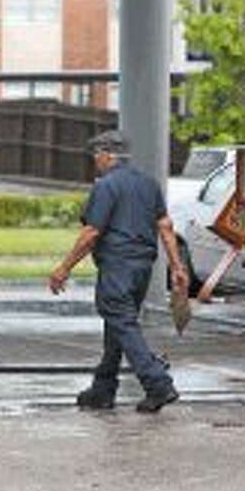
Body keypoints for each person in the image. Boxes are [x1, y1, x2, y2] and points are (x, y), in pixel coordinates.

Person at [50, 130, 190, 413]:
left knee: (123, 325)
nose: (95, 162)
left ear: (107, 155)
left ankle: (157, 383)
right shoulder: (148, 183)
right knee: (118, 324)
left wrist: (63, 268)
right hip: (142, 269)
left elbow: (91, 233)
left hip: (117, 266)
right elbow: (165, 226)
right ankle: (103, 388)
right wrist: (177, 266)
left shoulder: (106, 186)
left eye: (96, 156)